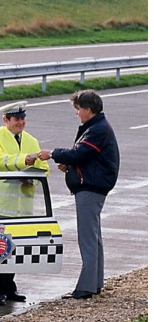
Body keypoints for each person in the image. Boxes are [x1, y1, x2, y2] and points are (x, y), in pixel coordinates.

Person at [37, 89, 120, 299]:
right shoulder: (96, 126)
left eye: (78, 109)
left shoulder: (98, 129)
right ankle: (95, 282)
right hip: (92, 185)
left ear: (89, 110)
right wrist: (71, 166)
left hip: (91, 188)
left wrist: (53, 154)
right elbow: (86, 157)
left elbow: (81, 153)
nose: (77, 113)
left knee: (87, 238)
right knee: (94, 236)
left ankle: (86, 287)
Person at [0, 101, 49, 306]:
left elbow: (44, 168)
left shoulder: (31, 140)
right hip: (0, 205)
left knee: (16, 250)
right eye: (16, 119)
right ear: (6, 120)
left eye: (23, 118)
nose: (21, 122)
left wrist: (31, 177)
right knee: (1, 250)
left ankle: (9, 288)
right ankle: (1, 291)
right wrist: (24, 162)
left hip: (22, 208)